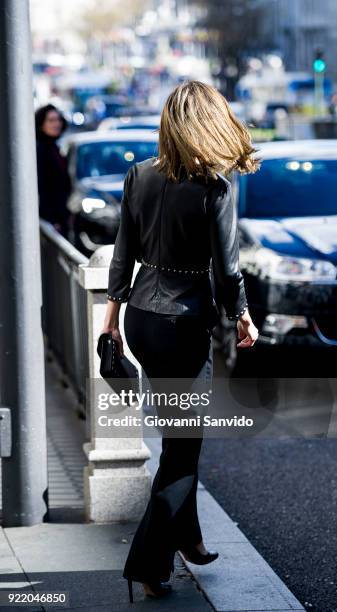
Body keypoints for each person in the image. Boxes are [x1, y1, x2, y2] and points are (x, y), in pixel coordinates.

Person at [101, 80, 260, 602]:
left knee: (178, 438)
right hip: (183, 324)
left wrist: (110, 324)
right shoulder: (213, 186)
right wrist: (242, 315)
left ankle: (188, 537)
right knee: (182, 453)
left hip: (141, 322)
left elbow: (122, 255)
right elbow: (228, 269)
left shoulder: (138, 174)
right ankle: (148, 564)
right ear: (210, 123)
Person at [35, 104, 72, 237]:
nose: (56, 124)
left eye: (58, 119)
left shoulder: (54, 147)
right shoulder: (41, 150)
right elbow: (42, 188)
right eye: (51, 120)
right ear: (41, 124)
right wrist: (52, 220)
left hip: (59, 217)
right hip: (50, 221)